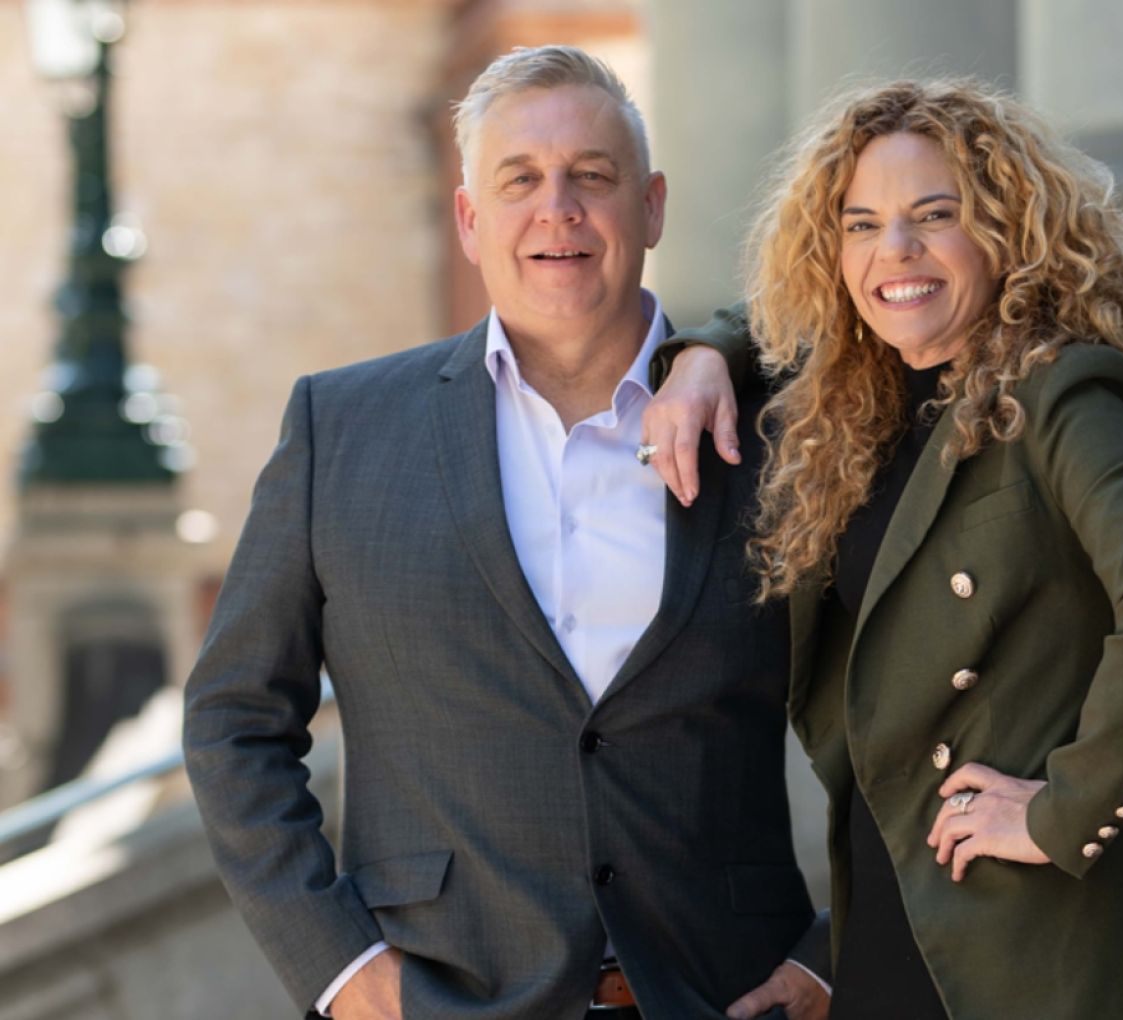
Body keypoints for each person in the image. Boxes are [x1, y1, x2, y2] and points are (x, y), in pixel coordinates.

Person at [182, 46, 829, 1020]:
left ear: (650, 207)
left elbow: (913, 715)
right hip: (444, 995)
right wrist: (341, 972)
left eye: (593, 178)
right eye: (520, 180)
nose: (558, 208)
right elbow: (234, 718)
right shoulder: (341, 428)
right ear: (470, 219)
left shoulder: (776, 429)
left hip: (728, 994)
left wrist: (827, 955)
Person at [647, 79, 1123, 1018]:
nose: (897, 252)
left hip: (1036, 954)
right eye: (862, 224)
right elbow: (766, 335)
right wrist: (703, 354)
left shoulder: (1061, 392)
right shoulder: (859, 409)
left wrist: (1062, 811)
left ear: (1008, 231)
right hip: (885, 936)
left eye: (935, 215)